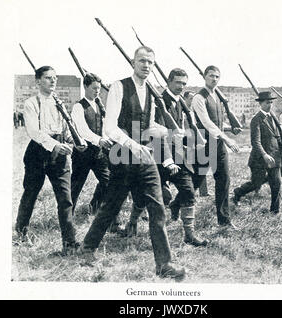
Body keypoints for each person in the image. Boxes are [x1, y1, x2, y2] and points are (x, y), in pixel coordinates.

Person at [78, 46, 186, 279]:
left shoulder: (151, 91)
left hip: (145, 159)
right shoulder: (119, 87)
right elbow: (110, 128)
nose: (146, 65)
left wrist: (168, 132)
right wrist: (135, 146)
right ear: (132, 62)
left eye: (150, 62)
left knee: (157, 208)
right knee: (112, 205)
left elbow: (146, 126)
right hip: (123, 157)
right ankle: (87, 249)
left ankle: (164, 265)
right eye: (142, 61)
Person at [123, 68, 208, 247]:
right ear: (168, 81)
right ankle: (132, 223)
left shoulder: (180, 103)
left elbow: (178, 131)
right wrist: (168, 161)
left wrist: (192, 141)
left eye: (184, 83)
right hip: (158, 157)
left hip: (177, 158)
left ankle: (189, 235)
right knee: (142, 195)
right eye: (178, 82)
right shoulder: (158, 102)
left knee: (188, 191)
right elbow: (158, 133)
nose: (181, 86)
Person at [15, 66, 85, 254]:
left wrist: (74, 142)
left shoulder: (59, 103)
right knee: (30, 194)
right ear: (38, 81)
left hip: (59, 153)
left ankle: (69, 243)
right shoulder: (31, 103)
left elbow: (66, 129)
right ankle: (20, 234)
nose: (52, 81)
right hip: (38, 153)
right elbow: (33, 131)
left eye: (54, 78)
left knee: (65, 198)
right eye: (47, 78)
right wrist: (54, 144)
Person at [190, 65, 240, 229]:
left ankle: (224, 221)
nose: (214, 79)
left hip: (218, 145)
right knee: (195, 181)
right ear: (204, 77)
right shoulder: (199, 97)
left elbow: (218, 121)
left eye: (217, 76)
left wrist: (230, 128)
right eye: (211, 76)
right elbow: (206, 122)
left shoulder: (217, 96)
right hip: (205, 145)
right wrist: (227, 138)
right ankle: (177, 205)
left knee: (224, 180)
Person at [70, 73, 113, 216]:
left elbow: (103, 127)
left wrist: (105, 138)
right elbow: (82, 130)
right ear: (85, 87)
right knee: (76, 186)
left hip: (98, 153)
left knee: (108, 182)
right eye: (94, 88)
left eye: (99, 89)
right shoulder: (78, 106)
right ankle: (67, 216)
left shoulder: (99, 105)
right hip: (83, 153)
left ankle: (94, 207)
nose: (97, 91)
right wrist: (100, 140)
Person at [232, 92, 282, 214]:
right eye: (266, 102)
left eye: (271, 102)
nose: (269, 105)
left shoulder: (273, 118)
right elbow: (255, 141)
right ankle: (238, 192)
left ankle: (275, 211)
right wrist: (265, 154)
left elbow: (278, 137)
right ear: (260, 103)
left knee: (276, 184)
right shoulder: (256, 119)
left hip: (274, 157)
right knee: (256, 183)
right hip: (259, 158)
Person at [184, 90, 209, 197]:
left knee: (201, 166)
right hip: (186, 141)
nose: (193, 100)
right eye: (190, 98)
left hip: (195, 141)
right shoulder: (183, 111)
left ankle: (203, 192)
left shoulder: (194, 111)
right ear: (184, 99)